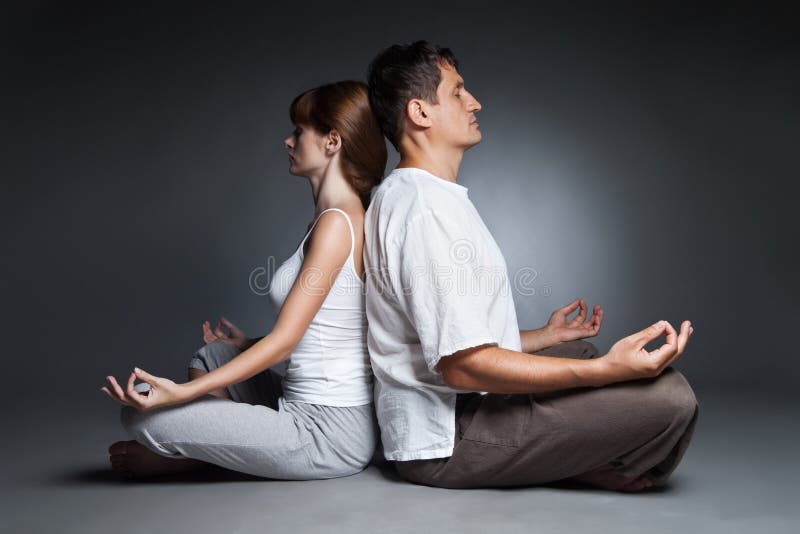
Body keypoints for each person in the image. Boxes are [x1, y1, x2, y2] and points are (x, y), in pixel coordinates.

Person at [363, 41, 699, 491]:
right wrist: (606, 373)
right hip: (447, 440)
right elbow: (463, 367)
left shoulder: (415, 193)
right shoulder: (426, 210)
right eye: (459, 92)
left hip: (461, 404)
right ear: (421, 113)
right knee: (672, 399)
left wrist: (545, 338)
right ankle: (582, 464)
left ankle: (566, 455)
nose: (475, 101)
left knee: (580, 354)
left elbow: (436, 335)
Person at [100, 80, 388, 480]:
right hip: (296, 400)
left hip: (327, 431)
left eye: (299, 132)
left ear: (332, 142)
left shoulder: (339, 224)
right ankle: (231, 446)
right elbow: (326, 333)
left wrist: (185, 393)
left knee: (140, 418)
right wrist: (246, 344)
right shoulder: (328, 220)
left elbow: (286, 339)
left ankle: (197, 456)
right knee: (213, 356)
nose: (287, 141)